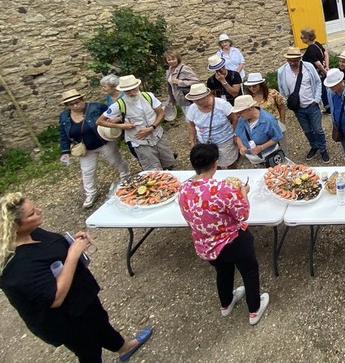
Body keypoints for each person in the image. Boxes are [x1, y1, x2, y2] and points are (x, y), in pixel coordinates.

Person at [0, 193, 153, 362]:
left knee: (101, 321)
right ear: (14, 226)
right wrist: (73, 254)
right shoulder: (16, 267)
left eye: (35, 208)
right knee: (88, 349)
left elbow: (53, 253)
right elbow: (55, 298)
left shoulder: (32, 233)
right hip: (66, 319)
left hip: (81, 299)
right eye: (32, 214)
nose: (40, 211)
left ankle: (124, 348)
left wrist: (73, 241)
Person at [178, 143, 270, 326]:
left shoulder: (183, 189)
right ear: (215, 163)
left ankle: (226, 304)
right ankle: (254, 309)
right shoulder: (221, 189)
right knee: (249, 271)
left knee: (222, 271)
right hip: (232, 241)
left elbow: (189, 217)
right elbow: (243, 213)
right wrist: (243, 192)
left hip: (205, 244)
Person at [59, 89, 130, 209]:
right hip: (85, 148)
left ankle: (126, 177)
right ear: (67, 106)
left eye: (77, 102)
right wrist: (65, 151)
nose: (76, 106)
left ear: (82, 100)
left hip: (104, 142)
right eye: (72, 104)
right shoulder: (64, 116)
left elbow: (114, 115)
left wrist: (116, 123)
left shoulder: (96, 107)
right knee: (87, 171)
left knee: (115, 161)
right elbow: (63, 133)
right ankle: (90, 194)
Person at [97, 75, 176, 173]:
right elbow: (100, 121)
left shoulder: (148, 96)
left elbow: (161, 113)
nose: (132, 93)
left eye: (134, 89)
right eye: (128, 91)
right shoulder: (119, 104)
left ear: (138, 86)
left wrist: (152, 127)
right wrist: (121, 126)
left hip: (157, 136)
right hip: (140, 142)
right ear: (123, 91)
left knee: (168, 162)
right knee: (153, 170)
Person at [277, 47, 329, 162]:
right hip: (298, 108)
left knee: (318, 129)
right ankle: (314, 146)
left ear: (300, 58)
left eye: (295, 60)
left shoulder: (308, 67)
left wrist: (316, 100)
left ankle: (323, 149)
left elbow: (317, 82)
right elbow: (281, 89)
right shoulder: (281, 71)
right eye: (290, 60)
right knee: (307, 130)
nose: (292, 62)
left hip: (312, 105)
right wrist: (288, 102)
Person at [184, 83, 240, 169]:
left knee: (229, 162)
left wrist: (236, 134)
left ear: (206, 96)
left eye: (199, 99)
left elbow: (234, 118)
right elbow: (191, 125)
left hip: (224, 140)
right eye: (194, 100)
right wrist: (192, 141)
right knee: (210, 164)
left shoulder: (221, 104)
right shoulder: (193, 108)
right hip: (205, 142)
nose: (197, 102)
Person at [232, 95, 284, 165]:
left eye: (240, 112)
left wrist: (262, 147)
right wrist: (241, 147)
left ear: (250, 109)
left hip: (270, 157)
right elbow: (238, 135)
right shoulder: (242, 118)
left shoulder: (269, 120)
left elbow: (277, 137)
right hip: (253, 160)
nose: (238, 115)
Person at [300, 28, 330, 113]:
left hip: (317, 73)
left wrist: (325, 71)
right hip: (322, 71)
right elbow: (326, 54)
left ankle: (326, 107)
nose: (301, 38)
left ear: (307, 38)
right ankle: (328, 106)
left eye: (302, 37)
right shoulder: (317, 44)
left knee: (319, 90)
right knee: (324, 88)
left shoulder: (310, 50)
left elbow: (317, 64)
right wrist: (327, 67)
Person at [165, 49, 199, 118]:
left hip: (188, 99)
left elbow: (196, 81)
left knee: (192, 119)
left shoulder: (184, 69)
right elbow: (171, 87)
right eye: (169, 60)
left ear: (177, 58)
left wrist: (180, 82)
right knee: (189, 119)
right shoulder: (169, 70)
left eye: (173, 59)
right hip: (180, 101)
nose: (171, 61)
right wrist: (170, 100)